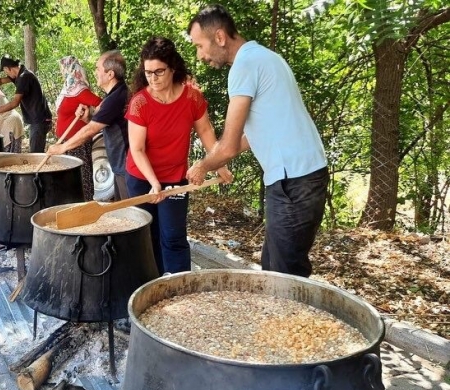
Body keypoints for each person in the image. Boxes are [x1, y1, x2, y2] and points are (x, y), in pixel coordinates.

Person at [186, 4, 329, 277]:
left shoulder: (245, 65)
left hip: (294, 180)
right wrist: (217, 162)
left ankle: (294, 321)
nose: (200, 56)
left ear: (219, 37)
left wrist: (203, 165)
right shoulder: (265, 57)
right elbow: (251, 135)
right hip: (301, 176)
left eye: (200, 46)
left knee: (285, 277)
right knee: (272, 268)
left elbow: (228, 146)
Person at [125, 37, 232, 276]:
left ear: (173, 68)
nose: (153, 78)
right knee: (147, 234)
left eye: (159, 72)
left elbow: (205, 130)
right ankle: (150, 288)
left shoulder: (192, 97)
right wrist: (153, 183)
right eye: (148, 73)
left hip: (175, 178)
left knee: (173, 235)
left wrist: (218, 163)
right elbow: (137, 149)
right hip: (142, 178)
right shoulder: (139, 103)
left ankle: (179, 288)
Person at [47, 50, 131, 200]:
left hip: (126, 165)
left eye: (98, 69)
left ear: (110, 74)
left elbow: (92, 129)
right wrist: (89, 118)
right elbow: (104, 122)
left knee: (131, 212)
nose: (95, 72)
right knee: (124, 208)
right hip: (120, 164)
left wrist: (62, 147)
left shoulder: (116, 98)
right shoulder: (112, 96)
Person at [0, 55, 52, 153]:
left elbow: (15, 103)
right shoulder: (19, 75)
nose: (6, 73)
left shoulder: (24, 77)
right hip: (37, 120)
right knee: (35, 153)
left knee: (36, 154)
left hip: (40, 120)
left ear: (8, 68)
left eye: (5, 71)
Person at [54, 56, 102, 201]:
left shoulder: (80, 90)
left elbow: (102, 104)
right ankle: (70, 205)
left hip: (77, 142)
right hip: (64, 141)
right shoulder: (69, 89)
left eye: (64, 69)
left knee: (81, 178)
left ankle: (85, 207)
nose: (62, 72)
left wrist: (92, 119)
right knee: (67, 178)